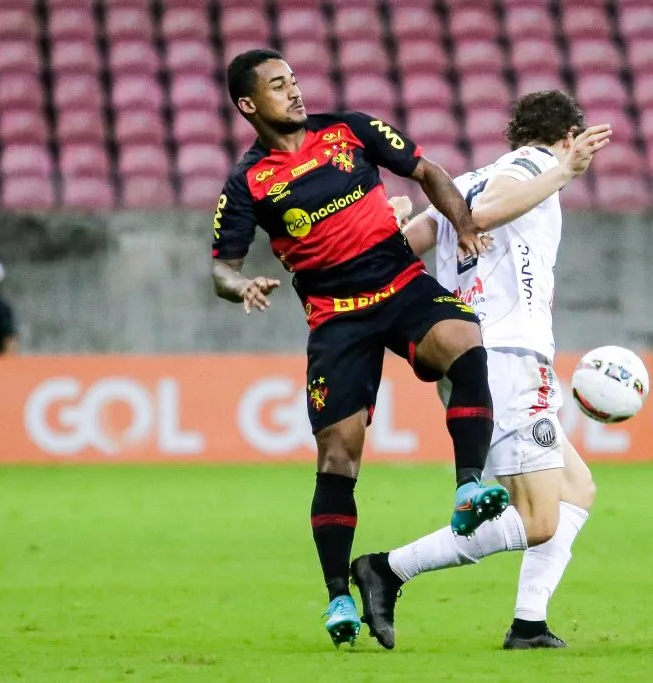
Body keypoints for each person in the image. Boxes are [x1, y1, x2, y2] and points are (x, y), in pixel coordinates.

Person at [208, 49, 510, 647]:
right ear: (249, 104)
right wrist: (242, 286)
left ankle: (469, 487)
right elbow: (222, 268)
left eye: (294, 80)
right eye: (278, 85)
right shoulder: (247, 183)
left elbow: (427, 171)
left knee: (463, 340)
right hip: (336, 318)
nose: (294, 91)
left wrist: (465, 224)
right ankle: (338, 597)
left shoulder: (350, 129)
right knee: (338, 458)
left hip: (401, 283)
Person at [351, 91, 611, 650]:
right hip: (507, 354)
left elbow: (406, 245)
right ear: (568, 136)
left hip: (474, 352)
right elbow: (485, 214)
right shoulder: (534, 165)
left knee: (576, 489)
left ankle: (529, 624)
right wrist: (563, 171)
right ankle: (388, 569)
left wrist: (386, 226)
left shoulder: (467, 178)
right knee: (537, 519)